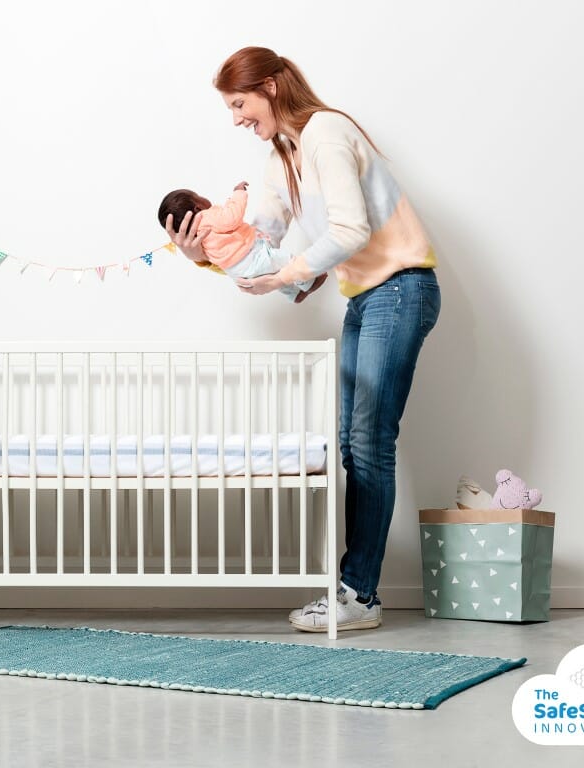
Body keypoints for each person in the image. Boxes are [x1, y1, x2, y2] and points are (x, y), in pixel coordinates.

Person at [164, 46, 441, 632]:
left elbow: (350, 229)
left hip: (401, 289)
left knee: (369, 442)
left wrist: (286, 276)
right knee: (352, 444)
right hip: (366, 297)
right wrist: (204, 254)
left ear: (269, 88)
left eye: (239, 104)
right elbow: (259, 242)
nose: (236, 119)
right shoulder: (282, 157)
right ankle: (356, 592)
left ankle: (359, 595)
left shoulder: (325, 134)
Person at [157, 182, 326, 302]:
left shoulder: (198, 239)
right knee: (285, 260)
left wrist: (198, 258)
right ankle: (309, 281)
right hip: (253, 257)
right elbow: (231, 218)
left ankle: (294, 294)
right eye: (199, 196)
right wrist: (238, 194)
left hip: (240, 275)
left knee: (274, 273)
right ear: (198, 207)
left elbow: (218, 258)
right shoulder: (206, 217)